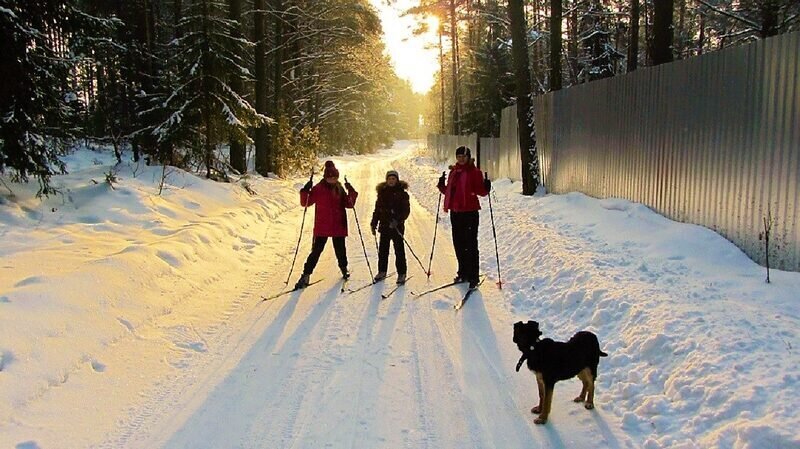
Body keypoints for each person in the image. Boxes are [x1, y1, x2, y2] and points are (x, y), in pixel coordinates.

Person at [294, 160, 358, 289]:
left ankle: (344, 268)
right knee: (316, 251)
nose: (332, 179)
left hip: (338, 225)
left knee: (340, 250)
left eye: (334, 177)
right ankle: (306, 274)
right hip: (322, 226)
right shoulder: (318, 188)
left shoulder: (339, 188)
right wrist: (305, 191)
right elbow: (306, 202)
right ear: (325, 177)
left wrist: (351, 191)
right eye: (330, 177)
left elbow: (349, 204)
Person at [437, 146, 491, 289]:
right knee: (459, 243)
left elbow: (481, 192)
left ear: (468, 157)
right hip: (456, 212)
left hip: (470, 212)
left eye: (463, 156)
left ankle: (473, 276)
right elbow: (450, 192)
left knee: (471, 244)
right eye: (459, 156)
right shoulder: (454, 172)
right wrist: (442, 186)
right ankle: (463, 272)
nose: (461, 159)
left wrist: (486, 187)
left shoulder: (475, 172)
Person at [370, 170, 411, 284]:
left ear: (397, 180)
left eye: (393, 179)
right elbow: (377, 210)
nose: (391, 181)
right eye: (389, 179)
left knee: (399, 250)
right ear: (386, 180)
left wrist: (397, 220)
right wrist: (374, 223)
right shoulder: (382, 193)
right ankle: (382, 271)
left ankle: (402, 273)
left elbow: (406, 211)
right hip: (384, 226)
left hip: (397, 227)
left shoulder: (402, 194)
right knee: (383, 250)